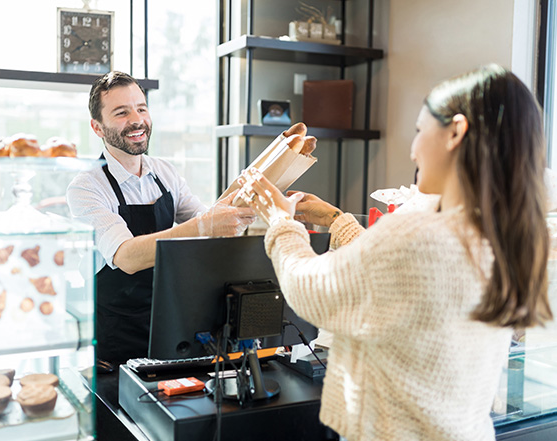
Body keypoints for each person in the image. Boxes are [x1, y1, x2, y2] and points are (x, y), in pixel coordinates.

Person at [237, 64, 553, 441]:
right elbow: (393, 278)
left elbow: (311, 291)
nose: (412, 148)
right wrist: (336, 219)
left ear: (456, 131)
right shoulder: (502, 235)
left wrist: (279, 222)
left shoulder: (422, 233)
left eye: (420, 131)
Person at [66, 71, 255, 370]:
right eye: (121, 112)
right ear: (97, 127)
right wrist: (205, 226)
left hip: (170, 329)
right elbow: (126, 256)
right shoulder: (86, 187)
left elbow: (208, 226)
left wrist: (246, 203)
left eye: (141, 108)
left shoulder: (165, 173)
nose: (137, 120)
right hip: (115, 346)